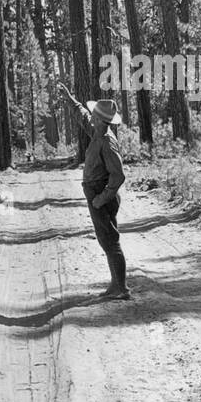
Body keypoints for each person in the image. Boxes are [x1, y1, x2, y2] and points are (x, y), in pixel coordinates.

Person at [62, 87, 130, 300]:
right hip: (96, 193)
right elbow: (83, 117)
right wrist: (71, 99)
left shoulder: (107, 141)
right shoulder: (98, 132)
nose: (90, 116)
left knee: (110, 240)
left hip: (101, 194)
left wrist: (101, 198)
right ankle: (115, 285)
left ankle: (121, 288)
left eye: (93, 115)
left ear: (100, 119)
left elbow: (118, 176)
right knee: (106, 239)